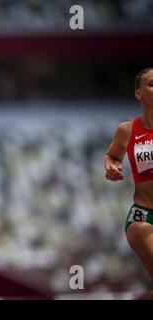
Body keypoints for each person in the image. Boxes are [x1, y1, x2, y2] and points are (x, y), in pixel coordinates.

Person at [105, 67, 153, 300]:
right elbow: (112, 155)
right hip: (144, 218)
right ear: (139, 94)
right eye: (152, 84)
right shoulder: (127, 130)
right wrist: (111, 166)